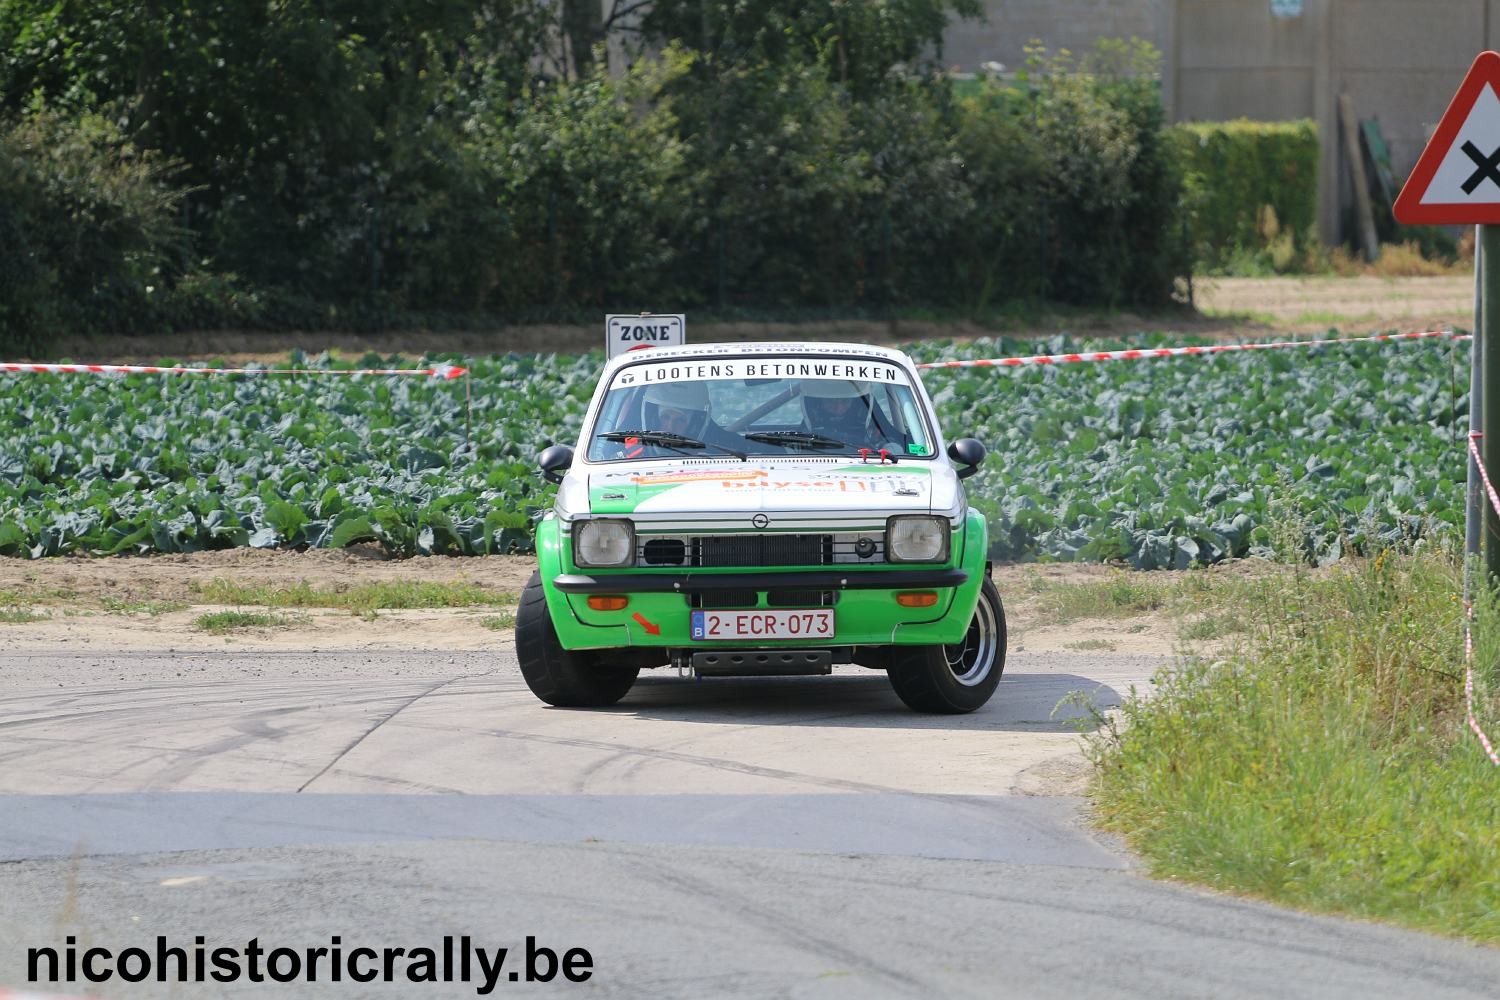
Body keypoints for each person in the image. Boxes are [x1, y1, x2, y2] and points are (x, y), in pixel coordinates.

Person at [800, 379, 896, 449]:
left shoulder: (872, 425)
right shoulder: (807, 427)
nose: (838, 408)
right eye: (831, 402)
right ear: (819, 403)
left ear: (854, 402)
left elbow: (893, 441)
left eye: (845, 401)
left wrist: (890, 447)